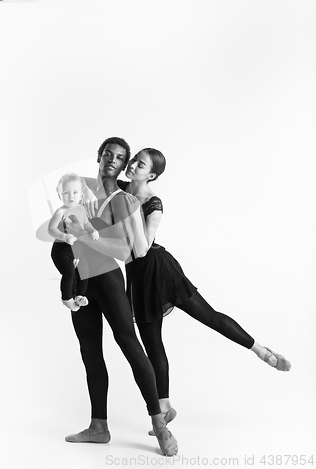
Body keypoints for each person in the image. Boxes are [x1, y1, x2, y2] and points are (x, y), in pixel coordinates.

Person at [84, 147, 291, 434]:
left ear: (151, 175)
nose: (131, 165)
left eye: (139, 164)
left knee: (209, 316)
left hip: (159, 269)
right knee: (152, 342)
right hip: (136, 276)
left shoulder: (153, 204)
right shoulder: (117, 191)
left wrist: (125, 221)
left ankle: (260, 350)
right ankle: (165, 407)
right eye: (132, 161)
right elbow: (99, 198)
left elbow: (141, 249)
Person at [62, 138, 178, 457]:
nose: (113, 159)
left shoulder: (125, 200)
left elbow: (124, 250)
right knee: (90, 351)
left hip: (107, 279)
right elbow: (61, 236)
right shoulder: (78, 189)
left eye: (120, 157)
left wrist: (85, 236)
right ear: (99, 157)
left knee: (129, 344)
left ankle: (159, 425)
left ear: (123, 163)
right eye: (108, 154)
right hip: (80, 280)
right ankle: (98, 426)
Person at [49, 173, 100, 311]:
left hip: (77, 249)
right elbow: (51, 229)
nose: (71, 196)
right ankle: (67, 298)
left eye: (75, 192)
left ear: (81, 195)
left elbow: (86, 223)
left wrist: (92, 230)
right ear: (60, 195)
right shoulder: (60, 212)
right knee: (70, 272)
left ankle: (79, 295)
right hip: (61, 249)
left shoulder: (81, 208)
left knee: (85, 270)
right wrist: (64, 237)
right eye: (66, 193)